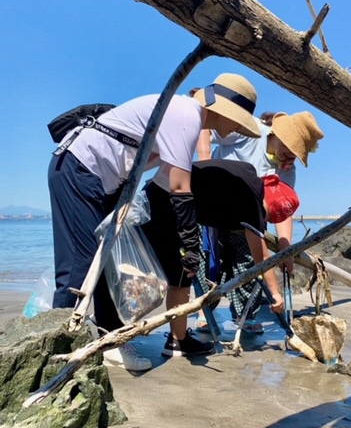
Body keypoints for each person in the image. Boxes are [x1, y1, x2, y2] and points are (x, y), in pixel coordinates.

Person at [48, 73, 261, 371]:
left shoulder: (184, 117)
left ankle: (110, 339)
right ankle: (54, 348)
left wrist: (173, 241)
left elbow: (162, 183)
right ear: (225, 109)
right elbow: (178, 189)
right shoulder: (187, 115)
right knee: (80, 265)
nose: (238, 127)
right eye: (239, 120)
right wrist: (190, 244)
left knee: (108, 262)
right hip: (79, 169)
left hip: (102, 180)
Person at [142, 158, 299, 349]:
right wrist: (275, 295)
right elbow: (262, 258)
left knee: (178, 278)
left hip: (159, 192)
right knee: (179, 278)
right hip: (167, 204)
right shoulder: (252, 201)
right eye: (267, 217)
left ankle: (177, 340)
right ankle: (177, 342)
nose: (262, 220)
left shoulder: (248, 177)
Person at [196, 109, 324, 330]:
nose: (290, 157)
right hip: (213, 202)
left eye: (297, 153)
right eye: (289, 148)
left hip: (250, 215)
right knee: (210, 263)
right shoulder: (250, 130)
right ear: (278, 134)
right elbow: (205, 127)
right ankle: (203, 311)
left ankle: (245, 317)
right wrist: (205, 162)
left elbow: (283, 209)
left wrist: (286, 250)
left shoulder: (287, 171)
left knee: (246, 263)